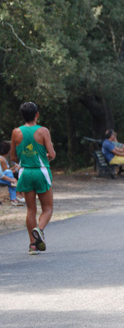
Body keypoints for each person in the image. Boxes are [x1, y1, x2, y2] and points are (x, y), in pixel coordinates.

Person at [10, 102, 56, 255]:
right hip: (41, 171)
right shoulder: (43, 131)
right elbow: (52, 154)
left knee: (31, 210)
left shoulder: (16, 132)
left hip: (25, 172)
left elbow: (13, 157)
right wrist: (45, 158)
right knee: (48, 208)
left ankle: (32, 246)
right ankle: (40, 229)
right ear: (37, 114)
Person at [0, 140, 22, 207]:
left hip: (3, 175)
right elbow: (1, 174)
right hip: (2, 176)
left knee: (12, 181)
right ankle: (15, 197)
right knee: (12, 181)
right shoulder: (1, 159)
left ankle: (15, 198)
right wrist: (11, 179)